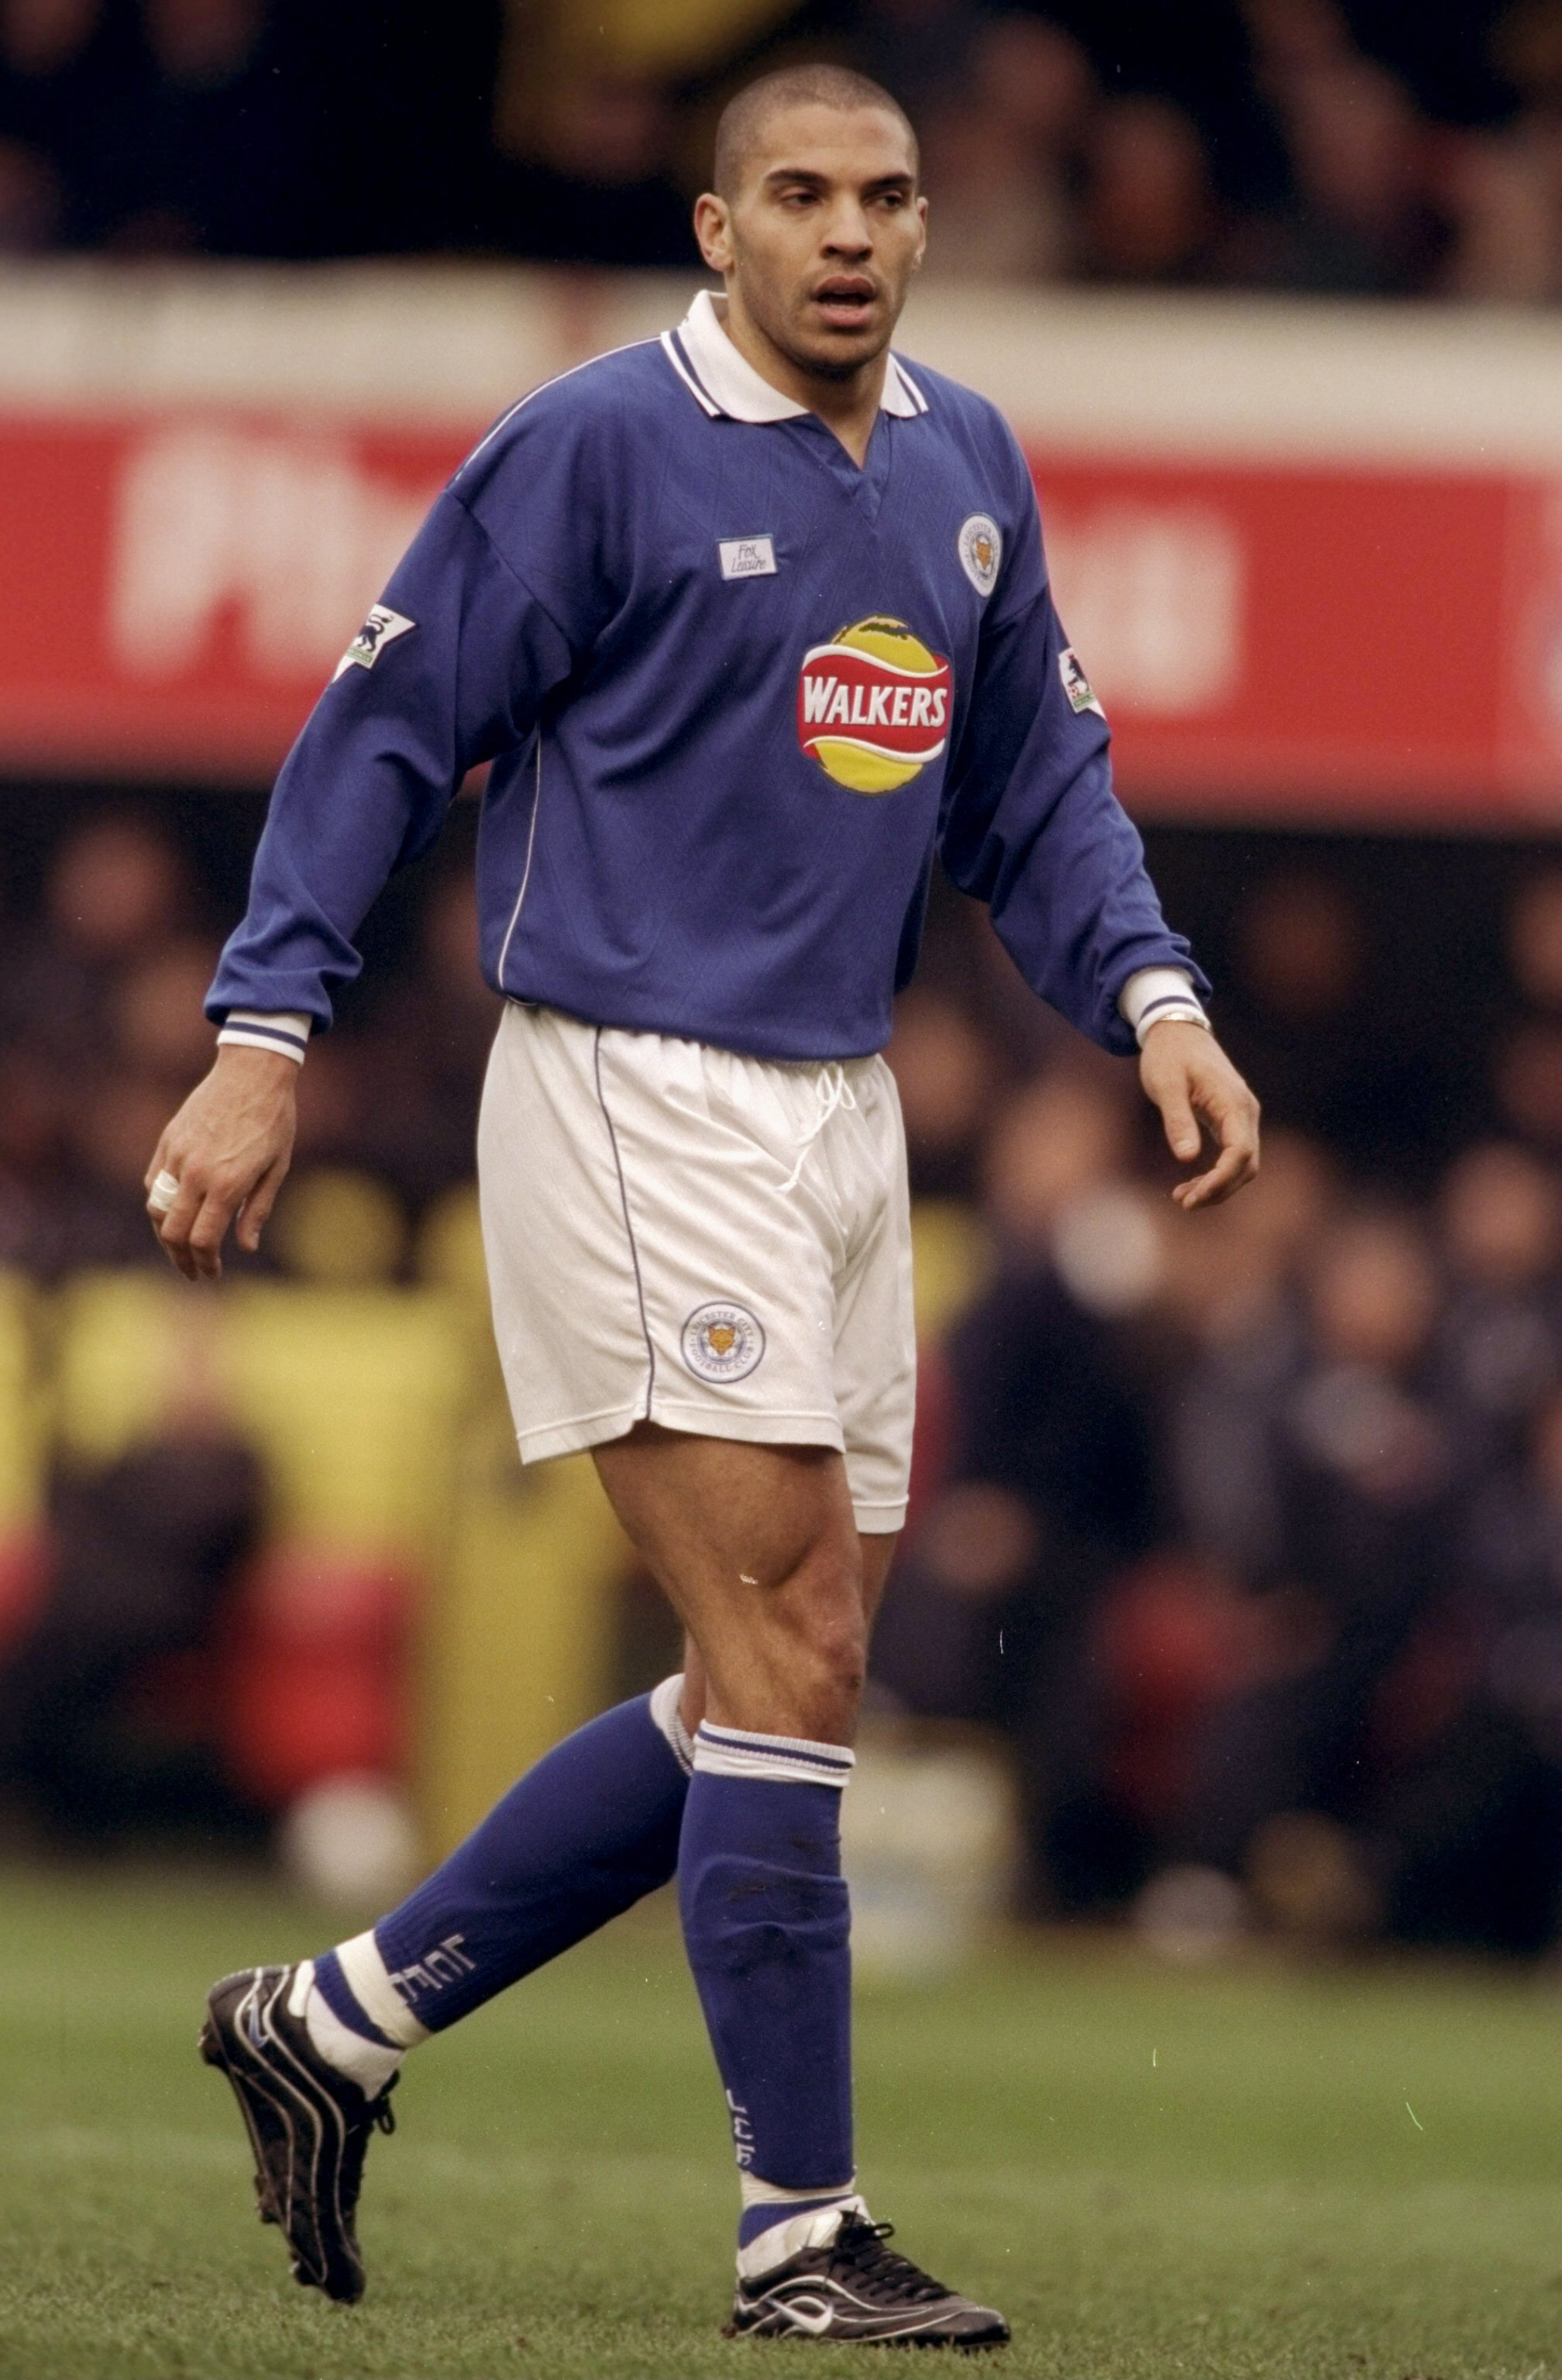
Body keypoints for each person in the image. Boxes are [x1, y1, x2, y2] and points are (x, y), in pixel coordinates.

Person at [144, 63, 1259, 2348]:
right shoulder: (591, 445)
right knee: (789, 1658)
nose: (851, 234)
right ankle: (802, 2237)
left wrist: (1152, 996)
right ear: (716, 225)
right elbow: (379, 733)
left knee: (778, 1678)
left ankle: (336, 2025)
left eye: (889, 196)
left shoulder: (963, 464)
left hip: (841, 1114)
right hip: (634, 1092)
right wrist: (263, 1043)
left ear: (927, 226)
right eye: (802, 197)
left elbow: (1041, 773)